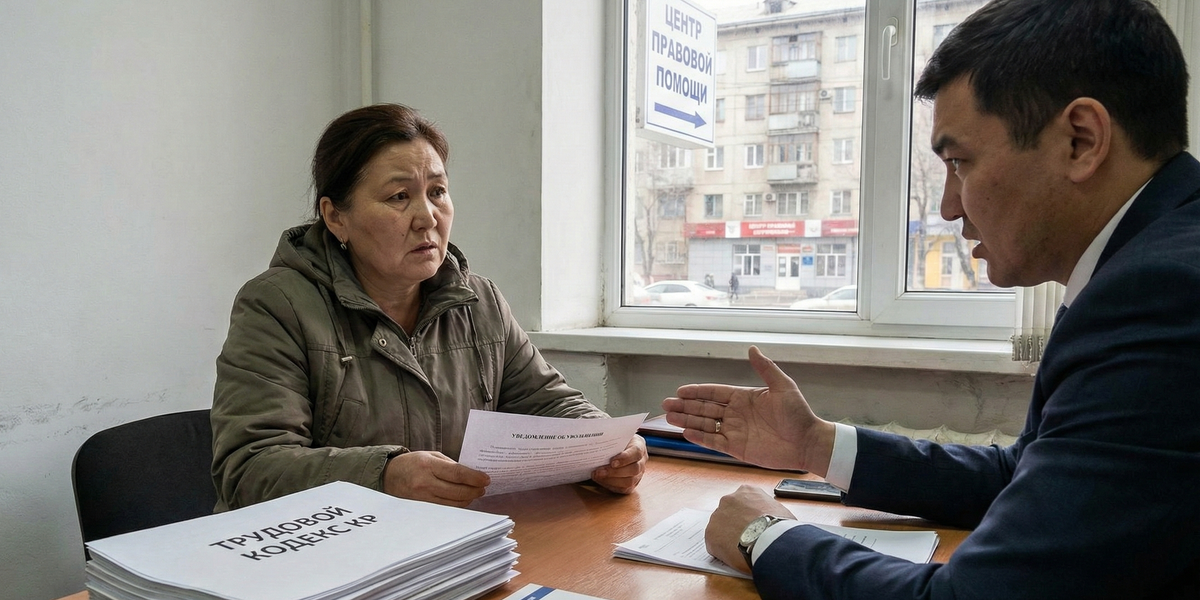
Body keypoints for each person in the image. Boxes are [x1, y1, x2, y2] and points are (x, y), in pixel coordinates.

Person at [663, 0, 1200, 598]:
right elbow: (1027, 470)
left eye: (959, 162)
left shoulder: (1162, 297)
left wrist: (764, 536)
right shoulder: (1149, 261)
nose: (948, 206)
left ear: (1081, 140)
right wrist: (813, 444)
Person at [211, 104, 646, 511]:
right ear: (335, 216)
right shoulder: (277, 305)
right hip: (326, 550)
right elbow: (250, 469)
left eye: (438, 191)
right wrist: (384, 476)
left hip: (455, 541)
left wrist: (612, 446)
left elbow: (550, 404)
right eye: (399, 197)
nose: (428, 217)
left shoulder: (479, 303)